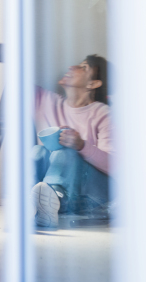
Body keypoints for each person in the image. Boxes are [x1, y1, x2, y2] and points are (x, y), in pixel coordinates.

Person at [32, 55, 112, 228]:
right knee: (36, 152)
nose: (72, 67)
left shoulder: (104, 114)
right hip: (61, 193)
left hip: (91, 197)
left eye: (83, 67)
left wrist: (81, 145)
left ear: (92, 84)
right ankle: (38, 201)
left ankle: (53, 201)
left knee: (65, 152)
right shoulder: (46, 101)